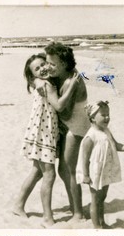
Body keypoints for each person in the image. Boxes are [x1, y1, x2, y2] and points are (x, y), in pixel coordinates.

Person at [12, 53, 79, 227]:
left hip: (43, 131)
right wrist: (72, 85)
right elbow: (58, 105)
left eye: (43, 64)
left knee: (37, 172)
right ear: (32, 75)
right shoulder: (45, 85)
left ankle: (18, 205)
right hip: (44, 133)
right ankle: (47, 218)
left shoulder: (43, 83)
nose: (42, 69)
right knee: (49, 174)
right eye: (37, 68)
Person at [36, 42, 91, 222]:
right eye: (48, 63)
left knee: (69, 170)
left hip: (76, 126)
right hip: (69, 124)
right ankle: (75, 206)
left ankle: (78, 213)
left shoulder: (70, 81)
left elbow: (64, 112)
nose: (48, 67)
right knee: (63, 170)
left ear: (64, 64)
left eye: (52, 64)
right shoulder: (64, 77)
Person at [76, 101, 124, 229]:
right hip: (95, 172)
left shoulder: (106, 131)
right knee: (95, 200)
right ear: (92, 117)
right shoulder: (90, 136)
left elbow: (115, 144)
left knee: (102, 198)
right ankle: (96, 226)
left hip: (106, 169)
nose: (107, 118)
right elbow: (84, 158)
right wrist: (85, 175)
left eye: (108, 114)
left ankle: (102, 222)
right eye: (103, 115)